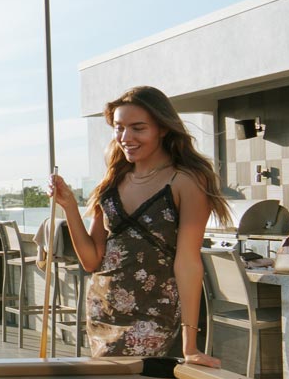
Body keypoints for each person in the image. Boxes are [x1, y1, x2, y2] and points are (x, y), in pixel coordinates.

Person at [50, 85, 231, 363]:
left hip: (154, 314)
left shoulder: (186, 181)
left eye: (138, 128)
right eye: (119, 128)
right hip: (103, 310)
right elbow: (91, 260)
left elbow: (188, 263)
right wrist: (70, 207)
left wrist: (190, 346)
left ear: (163, 128)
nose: (126, 137)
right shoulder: (112, 182)